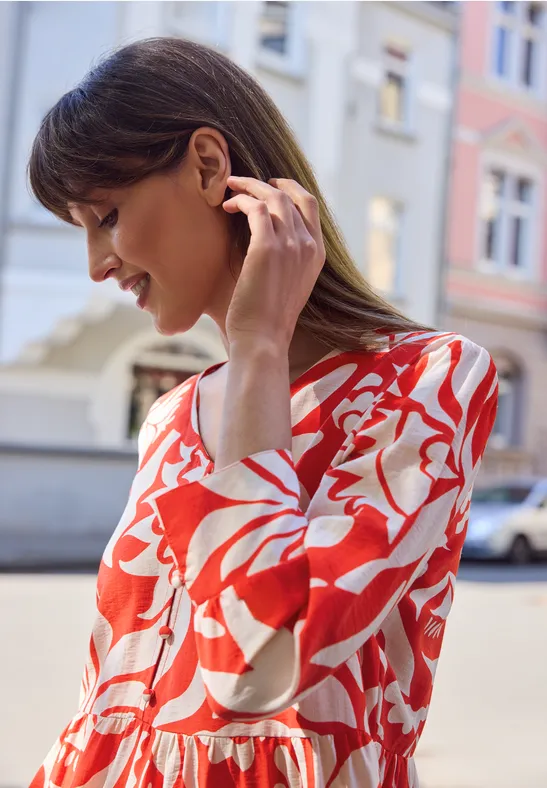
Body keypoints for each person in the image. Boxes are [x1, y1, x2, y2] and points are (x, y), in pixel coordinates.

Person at [28, 37, 498, 788]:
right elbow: (108, 703)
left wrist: (257, 350)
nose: (97, 263)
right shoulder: (172, 415)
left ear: (208, 167)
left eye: (107, 215)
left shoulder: (429, 379)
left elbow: (258, 662)